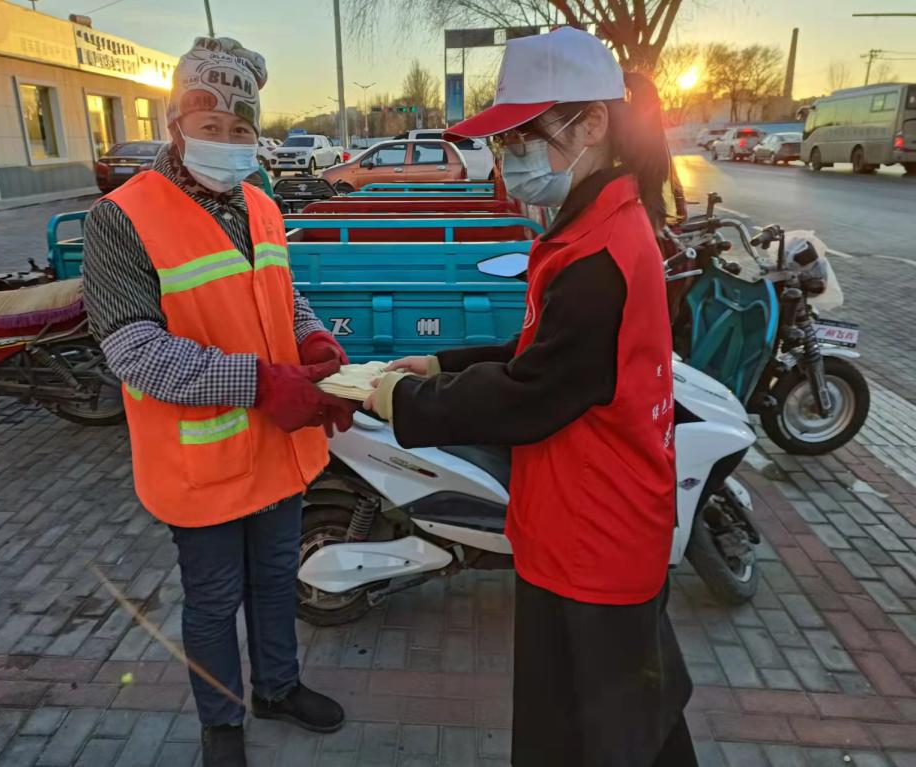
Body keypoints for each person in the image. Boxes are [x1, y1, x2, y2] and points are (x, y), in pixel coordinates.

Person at [364, 27, 696, 767]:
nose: (509, 156)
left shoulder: (600, 257)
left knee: (597, 739)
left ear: (592, 124)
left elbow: (532, 394)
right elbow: (542, 352)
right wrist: (440, 361)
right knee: (630, 727)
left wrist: (407, 401)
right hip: (587, 524)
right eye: (504, 139)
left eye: (524, 136)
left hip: (595, 542)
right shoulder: (592, 230)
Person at [82, 37, 352, 767]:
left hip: (277, 450)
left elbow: (280, 293)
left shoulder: (260, 203)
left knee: (275, 581)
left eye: (241, 128)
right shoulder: (121, 218)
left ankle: (278, 687)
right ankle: (221, 723)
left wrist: (313, 337)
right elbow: (135, 352)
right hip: (202, 463)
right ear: (176, 124)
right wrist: (264, 383)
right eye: (211, 125)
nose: (228, 142)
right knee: (211, 601)